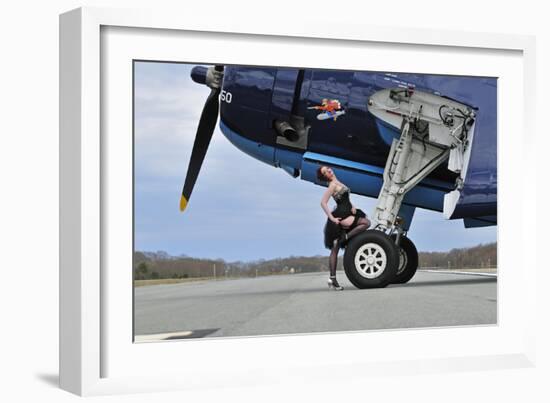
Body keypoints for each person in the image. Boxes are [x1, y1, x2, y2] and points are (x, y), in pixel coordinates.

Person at [317, 166, 371, 290]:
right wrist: (332, 218)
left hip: (348, 211)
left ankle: (332, 279)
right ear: (325, 176)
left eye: (328, 169)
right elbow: (323, 202)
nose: (329, 172)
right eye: (325, 172)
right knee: (366, 223)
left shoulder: (337, 182)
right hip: (342, 215)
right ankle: (346, 236)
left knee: (335, 247)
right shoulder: (332, 185)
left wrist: (353, 206)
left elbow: (345, 198)